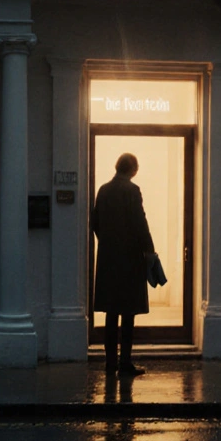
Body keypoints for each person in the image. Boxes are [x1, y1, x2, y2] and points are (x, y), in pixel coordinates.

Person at [91, 152, 155, 376]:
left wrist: (108, 242)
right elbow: (140, 223)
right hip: (129, 259)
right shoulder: (132, 190)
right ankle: (125, 362)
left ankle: (110, 363)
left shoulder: (103, 190)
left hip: (109, 258)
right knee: (128, 314)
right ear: (133, 169)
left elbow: (95, 223)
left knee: (111, 312)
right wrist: (149, 250)